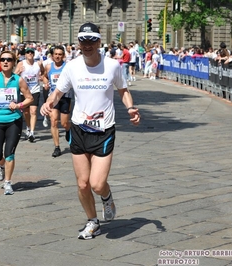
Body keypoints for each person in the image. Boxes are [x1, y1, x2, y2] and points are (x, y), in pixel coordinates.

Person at [40, 22, 140, 240]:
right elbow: (58, 92)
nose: (87, 45)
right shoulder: (72, 67)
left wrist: (131, 108)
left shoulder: (112, 66)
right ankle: (92, 221)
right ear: (78, 43)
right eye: (83, 41)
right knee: (83, 183)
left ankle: (107, 196)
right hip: (79, 129)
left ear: (99, 42)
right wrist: (49, 102)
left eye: (92, 40)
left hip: (103, 130)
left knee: (97, 184)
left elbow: (123, 91)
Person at [0, 51, 33, 195]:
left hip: (14, 121)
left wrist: (19, 105)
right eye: (3, 59)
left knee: (9, 153)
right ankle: (2, 165)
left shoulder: (19, 80)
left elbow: (30, 98)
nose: (5, 62)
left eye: (9, 60)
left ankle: (8, 182)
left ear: (14, 62)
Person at [42, 45, 71, 157]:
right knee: (53, 121)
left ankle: (69, 130)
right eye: (56, 54)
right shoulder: (49, 67)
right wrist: (45, 83)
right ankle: (57, 147)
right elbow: (44, 76)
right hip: (53, 97)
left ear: (63, 56)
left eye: (60, 54)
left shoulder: (67, 67)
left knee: (64, 123)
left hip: (65, 97)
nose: (58, 56)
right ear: (52, 55)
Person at [14, 47, 45, 142]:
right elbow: (14, 75)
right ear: (25, 54)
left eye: (32, 52)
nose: (30, 54)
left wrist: (41, 76)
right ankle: (28, 127)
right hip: (24, 91)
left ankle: (32, 132)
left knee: (33, 111)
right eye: (28, 52)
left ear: (34, 54)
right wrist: (19, 72)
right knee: (26, 112)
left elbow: (43, 72)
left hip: (35, 89)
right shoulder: (21, 63)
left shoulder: (38, 63)